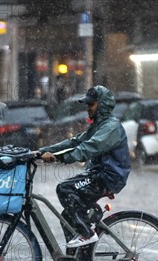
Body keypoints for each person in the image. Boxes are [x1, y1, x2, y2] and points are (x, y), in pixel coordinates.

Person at [35, 85, 131, 248]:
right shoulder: (100, 125)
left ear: (102, 105)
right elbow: (75, 141)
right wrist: (42, 151)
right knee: (68, 216)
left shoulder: (110, 127)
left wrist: (58, 157)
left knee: (65, 189)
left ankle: (87, 232)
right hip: (98, 173)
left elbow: (88, 147)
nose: (87, 108)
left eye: (91, 104)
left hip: (108, 177)